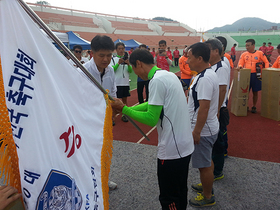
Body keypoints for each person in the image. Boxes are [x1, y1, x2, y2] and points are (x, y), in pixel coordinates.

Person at [111, 49, 194, 210]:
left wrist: (125, 110)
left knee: (168, 197)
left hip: (172, 150)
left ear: (139, 64)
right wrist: (126, 108)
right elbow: (152, 104)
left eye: (133, 68)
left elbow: (151, 118)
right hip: (184, 145)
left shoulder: (156, 81)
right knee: (180, 190)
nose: (135, 73)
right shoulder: (167, 75)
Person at [186, 42, 219, 207]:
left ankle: (207, 196)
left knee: (204, 165)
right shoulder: (203, 74)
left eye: (189, 57)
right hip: (208, 127)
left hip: (204, 130)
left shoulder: (205, 78)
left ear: (199, 58)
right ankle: (207, 185)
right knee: (207, 161)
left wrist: (197, 131)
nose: (187, 60)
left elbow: (204, 108)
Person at [83, 35, 117, 190]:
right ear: (92, 53)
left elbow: (113, 92)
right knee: (88, 152)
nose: (106, 59)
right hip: (87, 120)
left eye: (109, 55)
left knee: (103, 150)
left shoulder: (110, 70)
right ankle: (88, 182)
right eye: (101, 55)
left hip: (104, 119)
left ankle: (103, 179)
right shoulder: (83, 71)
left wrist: (114, 108)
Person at [238, 39, 269, 113]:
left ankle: (254, 106)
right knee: (245, 91)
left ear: (253, 45)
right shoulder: (244, 54)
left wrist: (266, 70)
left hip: (256, 75)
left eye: (248, 45)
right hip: (246, 75)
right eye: (246, 46)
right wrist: (240, 66)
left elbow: (266, 62)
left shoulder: (260, 53)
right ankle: (246, 105)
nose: (247, 47)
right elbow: (240, 63)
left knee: (255, 92)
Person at [110, 42, 132, 122]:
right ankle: (112, 117)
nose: (121, 50)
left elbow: (130, 71)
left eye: (122, 48)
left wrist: (129, 65)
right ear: (116, 50)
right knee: (114, 102)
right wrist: (118, 63)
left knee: (125, 100)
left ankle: (125, 115)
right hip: (116, 83)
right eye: (119, 48)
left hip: (125, 82)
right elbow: (112, 70)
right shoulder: (113, 59)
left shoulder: (127, 59)